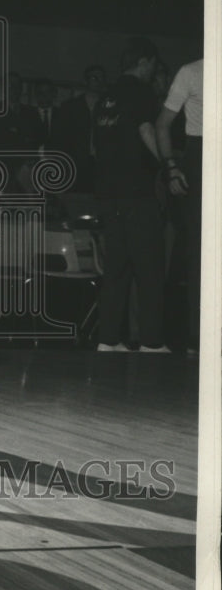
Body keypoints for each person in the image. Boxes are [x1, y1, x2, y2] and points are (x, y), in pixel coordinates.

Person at [93, 37, 169, 353]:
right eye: (153, 65)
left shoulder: (104, 98)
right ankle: (152, 343)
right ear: (145, 62)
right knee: (149, 267)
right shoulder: (142, 92)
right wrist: (169, 165)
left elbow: (93, 147)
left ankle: (108, 340)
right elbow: (147, 130)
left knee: (116, 269)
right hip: (138, 191)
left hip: (108, 194)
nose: (154, 71)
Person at [156, 57, 203, 354]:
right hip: (201, 157)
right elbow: (161, 125)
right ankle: (197, 340)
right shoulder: (191, 71)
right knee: (199, 253)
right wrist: (171, 167)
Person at [51, 64, 107, 193]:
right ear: (85, 81)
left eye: (102, 78)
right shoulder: (70, 107)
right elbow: (59, 139)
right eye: (94, 78)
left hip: (101, 165)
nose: (99, 82)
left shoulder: (109, 106)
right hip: (76, 165)